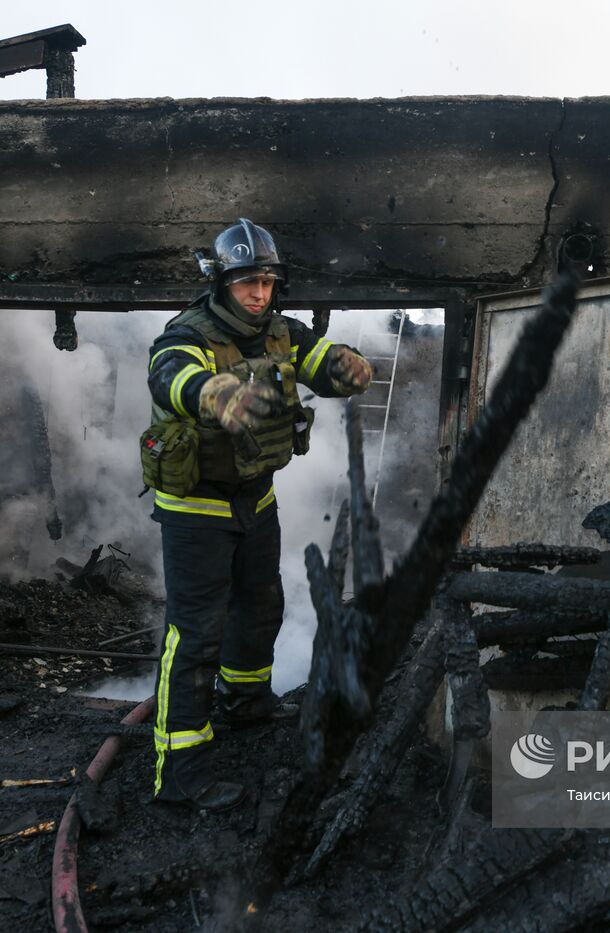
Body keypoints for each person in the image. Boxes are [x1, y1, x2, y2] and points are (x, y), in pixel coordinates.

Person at [143, 219, 372, 809]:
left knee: (260, 603)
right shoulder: (187, 332)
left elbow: (320, 359)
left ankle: (245, 702)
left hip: (256, 500)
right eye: (248, 283)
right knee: (195, 634)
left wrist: (348, 366)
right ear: (222, 284)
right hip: (196, 507)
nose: (259, 295)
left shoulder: (280, 333)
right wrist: (213, 393)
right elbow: (168, 374)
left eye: (268, 283)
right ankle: (179, 768)